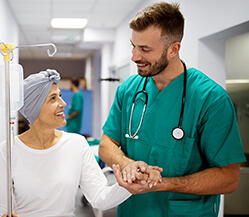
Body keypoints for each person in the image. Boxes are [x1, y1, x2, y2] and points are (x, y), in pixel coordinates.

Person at [98, 2, 247, 217]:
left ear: (173, 49)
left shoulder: (211, 99)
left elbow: (229, 178)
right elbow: (106, 144)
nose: (134, 57)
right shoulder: (128, 90)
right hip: (133, 210)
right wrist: (127, 164)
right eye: (133, 46)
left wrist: (161, 183)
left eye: (145, 49)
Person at [0, 69, 162, 217]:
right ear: (35, 108)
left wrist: (129, 185)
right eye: (53, 99)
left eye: (60, 96)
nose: (63, 103)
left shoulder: (76, 144)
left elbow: (99, 197)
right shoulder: (8, 150)